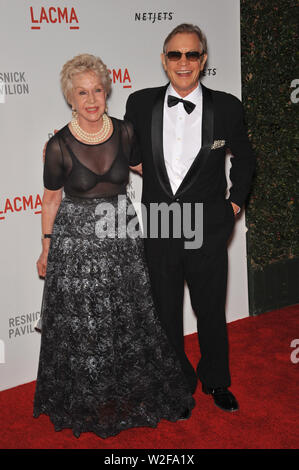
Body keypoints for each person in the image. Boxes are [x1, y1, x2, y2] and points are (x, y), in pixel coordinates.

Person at [33, 53, 195, 439]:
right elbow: (51, 200)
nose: (91, 101)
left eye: (98, 91)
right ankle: (89, 400)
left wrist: (190, 178)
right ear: (70, 98)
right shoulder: (58, 146)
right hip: (77, 247)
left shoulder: (125, 132)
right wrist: (46, 248)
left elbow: (148, 169)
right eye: (82, 93)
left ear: (107, 92)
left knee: (127, 320)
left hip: (121, 235)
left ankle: (130, 392)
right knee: (86, 326)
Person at [125, 24, 256, 412]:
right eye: (175, 55)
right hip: (162, 222)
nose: (184, 62)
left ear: (203, 60)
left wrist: (234, 204)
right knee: (165, 309)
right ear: (164, 61)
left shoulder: (227, 106)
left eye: (192, 54)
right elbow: (125, 151)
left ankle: (216, 380)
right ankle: (176, 385)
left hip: (207, 223)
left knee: (211, 308)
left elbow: (246, 159)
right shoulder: (140, 102)